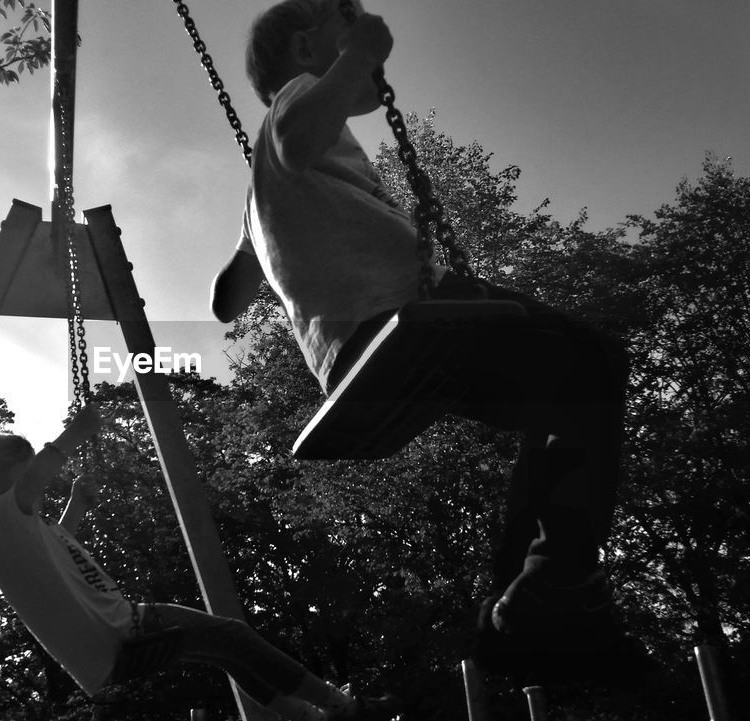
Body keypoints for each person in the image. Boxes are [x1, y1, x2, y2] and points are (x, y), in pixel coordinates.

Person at [212, 0, 649, 681]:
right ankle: (557, 577)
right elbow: (297, 136)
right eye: (345, 21)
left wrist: (255, 242)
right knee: (594, 361)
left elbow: (226, 301)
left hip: (362, 349)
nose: (365, 31)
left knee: (559, 408)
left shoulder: (266, 183)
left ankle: (520, 607)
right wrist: (363, 50)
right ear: (305, 49)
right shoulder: (293, 111)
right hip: (402, 315)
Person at [0, 405, 403, 720]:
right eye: (22, 468)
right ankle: (345, 710)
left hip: (108, 646)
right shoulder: (3, 510)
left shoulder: (12, 531)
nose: (32, 479)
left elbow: (61, 543)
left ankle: (305, 716)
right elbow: (36, 478)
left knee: (228, 653)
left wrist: (76, 503)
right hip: (121, 631)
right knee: (232, 635)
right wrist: (74, 434)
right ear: (3, 472)